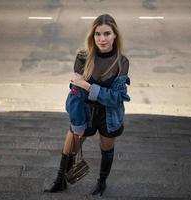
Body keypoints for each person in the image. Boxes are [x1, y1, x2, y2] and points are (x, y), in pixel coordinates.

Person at [44, 14, 130, 196]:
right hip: (84, 112)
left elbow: (116, 98)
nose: (102, 39)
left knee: (107, 150)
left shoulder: (122, 62)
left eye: (107, 33)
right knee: (70, 148)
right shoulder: (83, 57)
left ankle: (101, 184)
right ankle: (60, 180)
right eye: (97, 34)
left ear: (115, 35)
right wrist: (78, 123)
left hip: (110, 116)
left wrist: (89, 86)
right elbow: (75, 95)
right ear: (92, 36)